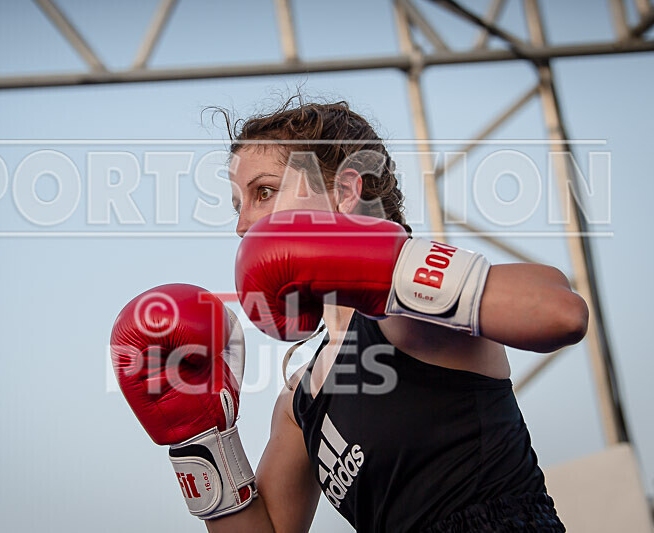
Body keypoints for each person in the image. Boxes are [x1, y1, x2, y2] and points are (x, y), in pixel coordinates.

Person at [112, 97, 587, 532]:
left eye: (264, 192)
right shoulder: (300, 399)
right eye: (238, 206)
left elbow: (560, 313)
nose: (242, 225)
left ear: (344, 192)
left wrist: (376, 262)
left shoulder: (412, 311)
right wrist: (202, 438)